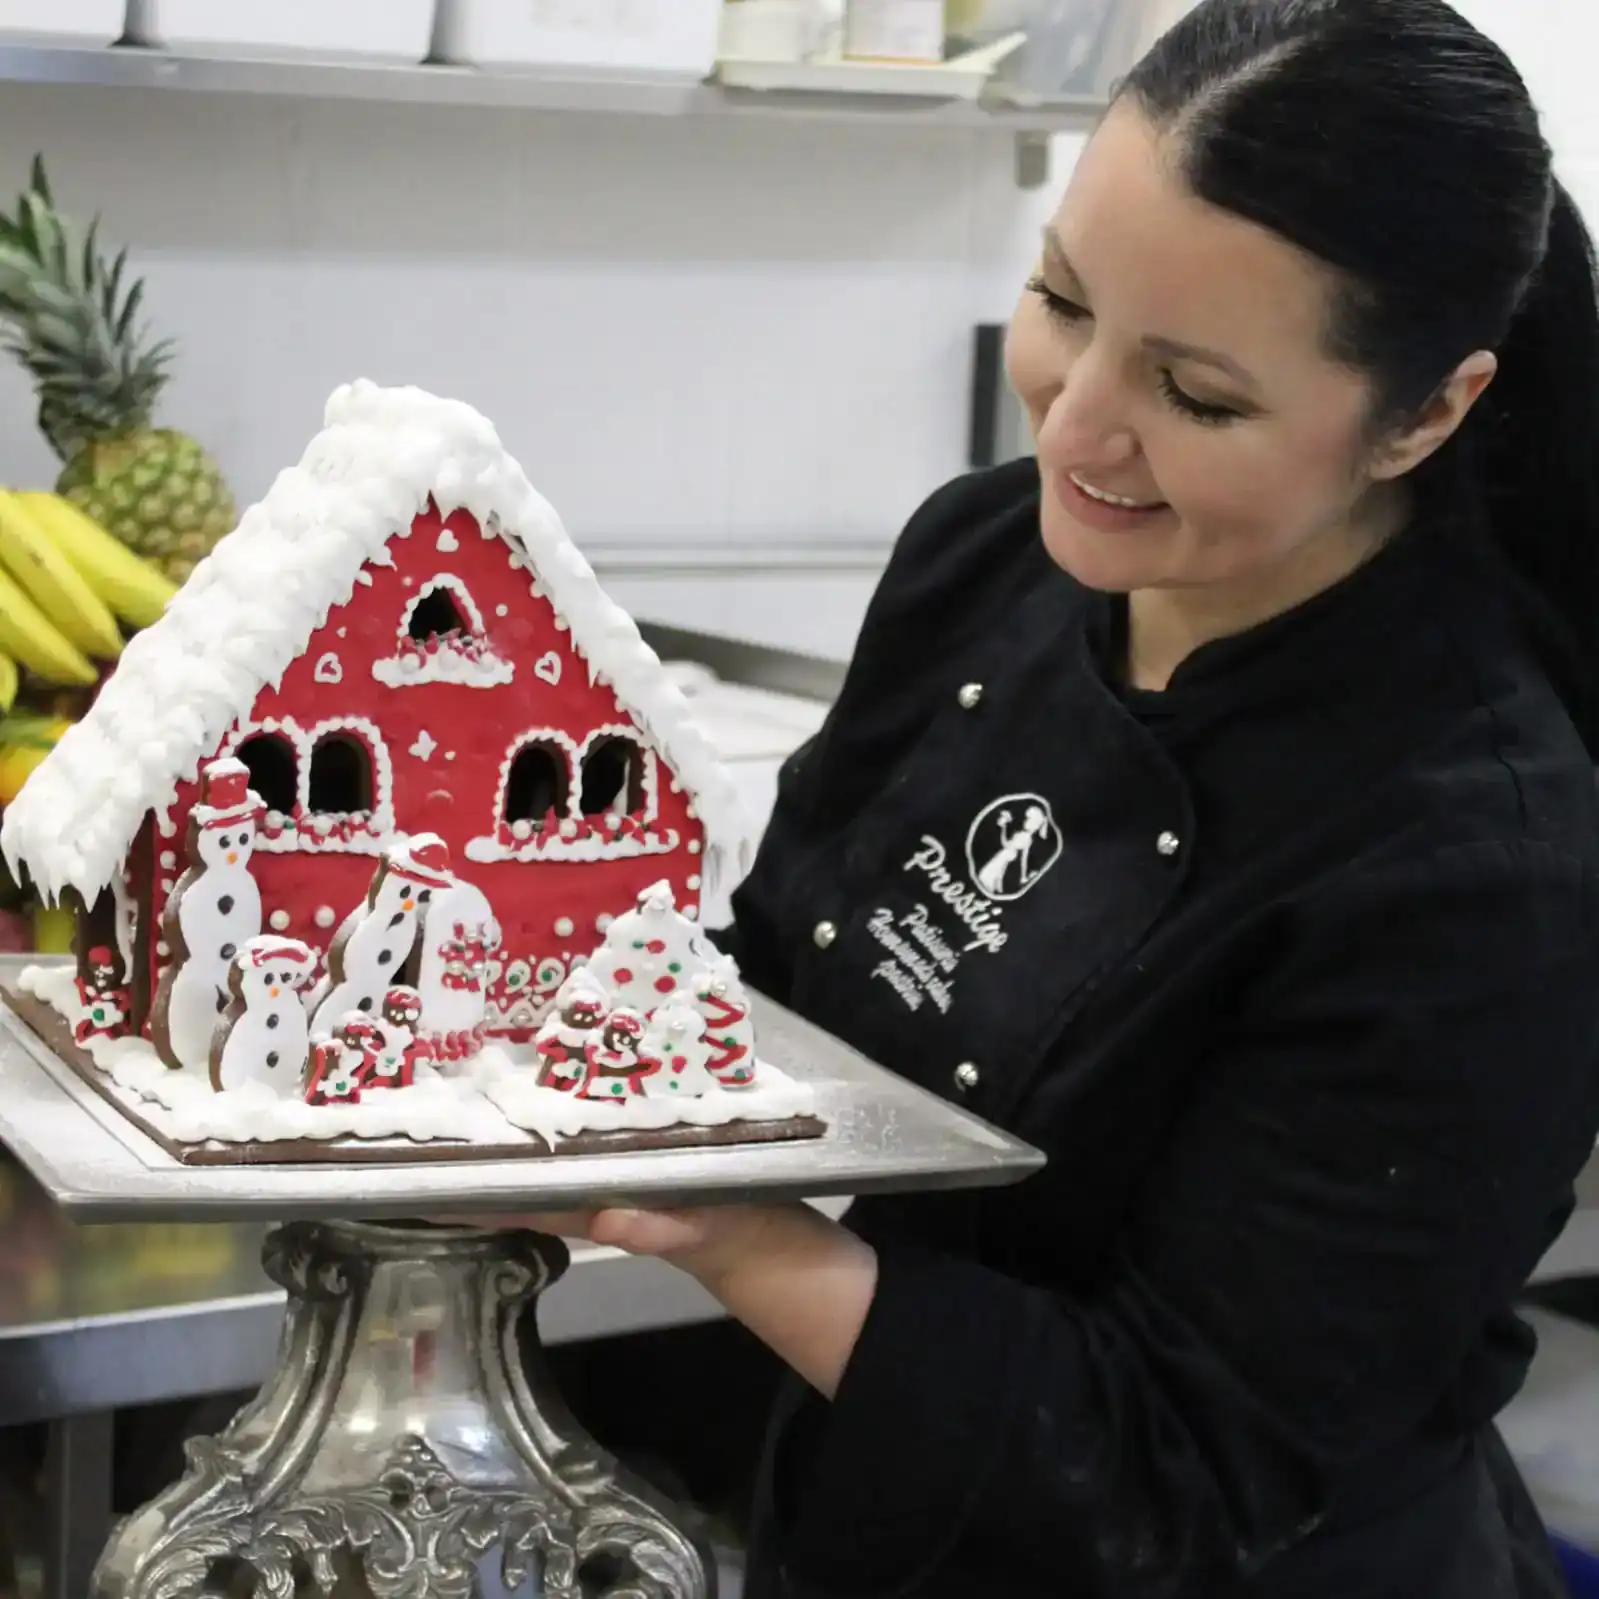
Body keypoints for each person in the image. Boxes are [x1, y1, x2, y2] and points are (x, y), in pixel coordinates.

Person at [470, 1, 1599, 1592]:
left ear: (1425, 412)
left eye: (1195, 395)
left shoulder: (1479, 859)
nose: (1072, 425)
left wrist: (729, 1226)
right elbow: (778, 970)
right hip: (886, 1515)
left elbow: (1183, 1470)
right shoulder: (988, 560)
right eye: (1061, 300)